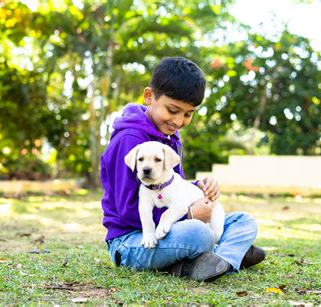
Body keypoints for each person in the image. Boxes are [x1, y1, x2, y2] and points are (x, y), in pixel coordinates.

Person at [101, 56, 265, 282]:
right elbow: (127, 211)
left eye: (188, 114)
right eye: (172, 110)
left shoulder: (171, 140)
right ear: (149, 97)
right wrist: (189, 215)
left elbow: (172, 189)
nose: (178, 121)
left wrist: (198, 188)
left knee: (243, 221)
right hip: (133, 241)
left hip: (171, 229)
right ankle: (224, 254)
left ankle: (218, 260)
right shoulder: (130, 141)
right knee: (198, 233)